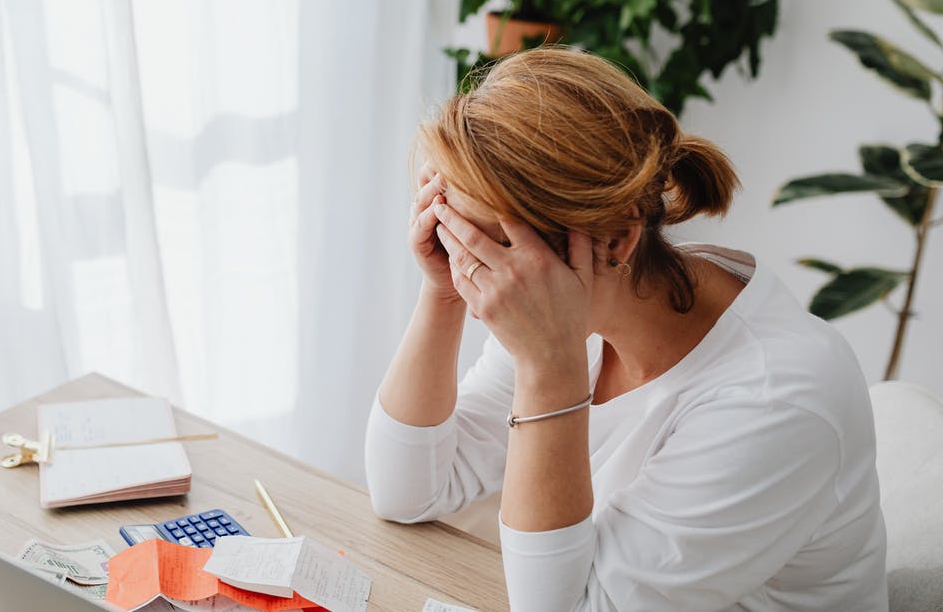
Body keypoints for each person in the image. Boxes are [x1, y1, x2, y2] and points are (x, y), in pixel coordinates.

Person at [364, 47, 887, 611]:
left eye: (487, 246)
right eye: (452, 231)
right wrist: (441, 290)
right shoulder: (588, 296)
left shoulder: (778, 399)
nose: (475, 272)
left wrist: (549, 365)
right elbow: (406, 492)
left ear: (615, 240)